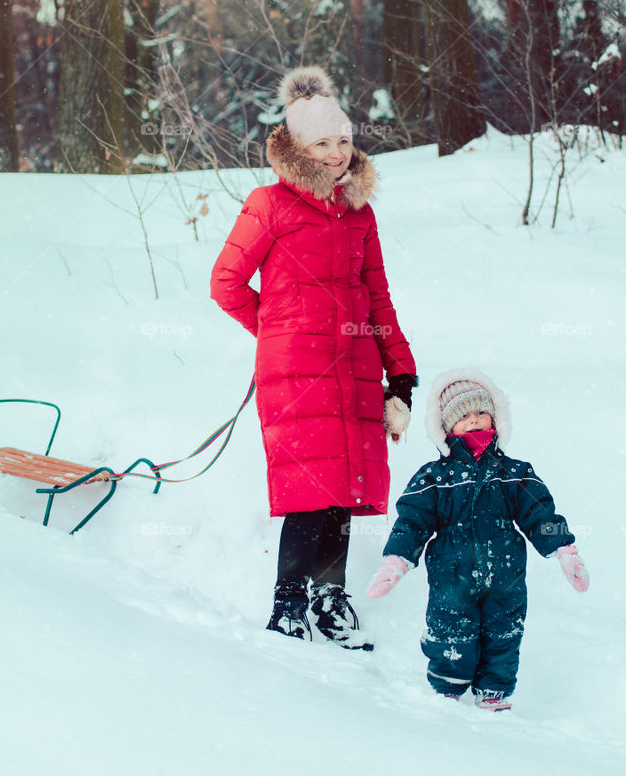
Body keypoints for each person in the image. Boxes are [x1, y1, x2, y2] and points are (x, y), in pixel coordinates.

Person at [210, 66, 416, 649]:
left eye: (343, 140)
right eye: (322, 143)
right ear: (297, 147)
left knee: (344, 490)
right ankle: (289, 608)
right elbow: (225, 283)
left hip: (354, 368)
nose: (335, 153)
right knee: (309, 491)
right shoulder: (269, 204)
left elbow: (378, 298)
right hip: (295, 373)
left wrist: (400, 370)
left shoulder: (360, 214)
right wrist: (280, 330)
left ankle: (331, 601)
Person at [367, 368, 589, 708]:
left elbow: (539, 514)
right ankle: (448, 690)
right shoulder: (435, 476)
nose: (474, 421)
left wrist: (563, 548)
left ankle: (494, 693)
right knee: (450, 630)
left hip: (506, 574)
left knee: (504, 633)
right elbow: (413, 521)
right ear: (445, 427)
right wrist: (396, 559)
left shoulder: (513, 473)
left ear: (495, 417)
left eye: (481, 412)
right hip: (451, 575)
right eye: (463, 415)